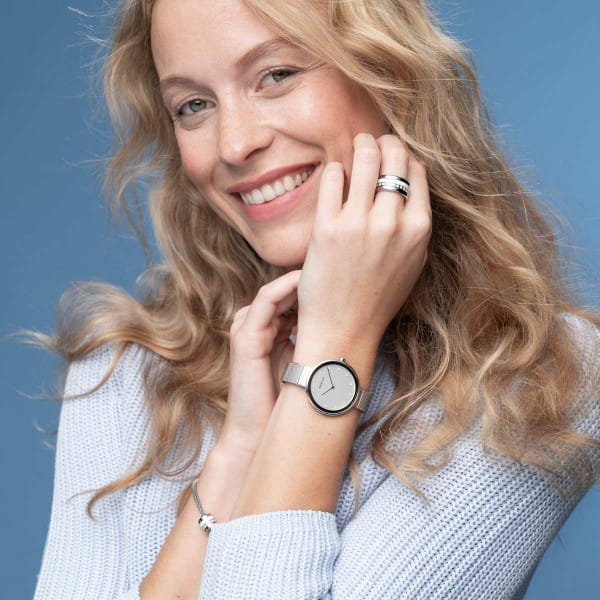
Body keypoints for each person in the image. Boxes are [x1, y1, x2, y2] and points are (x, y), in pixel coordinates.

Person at [29, 0, 600, 598]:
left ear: (390, 76)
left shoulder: (540, 376)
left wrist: (336, 343)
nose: (234, 143)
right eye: (193, 105)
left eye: (276, 75)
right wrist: (237, 456)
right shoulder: (127, 372)